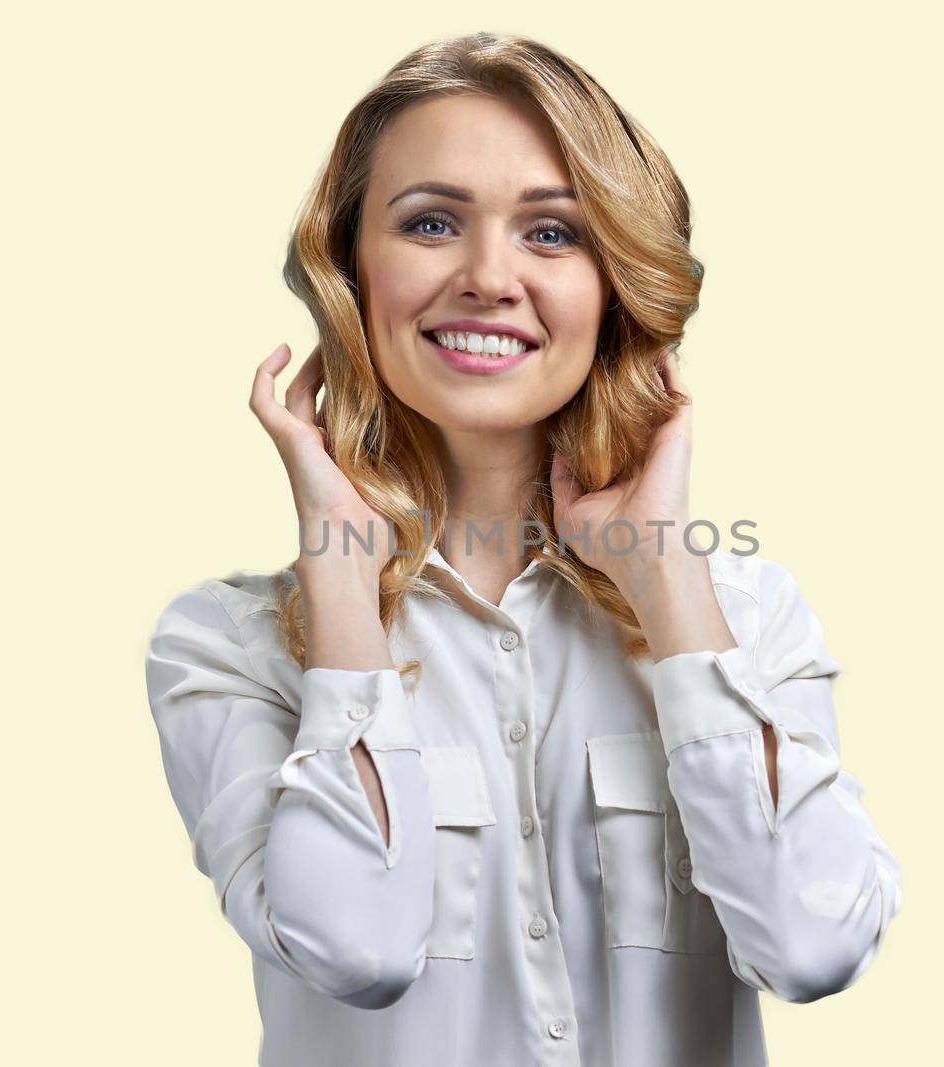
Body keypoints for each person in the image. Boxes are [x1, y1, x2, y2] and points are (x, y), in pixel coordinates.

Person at [144, 31, 901, 1067]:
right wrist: (342, 580)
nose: (488, 277)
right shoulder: (226, 646)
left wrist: (664, 569)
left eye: (551, 233)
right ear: (350, 274)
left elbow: (816, 943)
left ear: (614, 284)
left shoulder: (748, 615)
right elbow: (356, 949)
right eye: (432, 222)